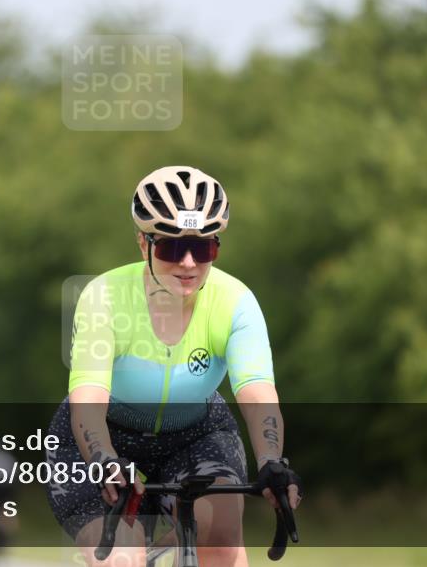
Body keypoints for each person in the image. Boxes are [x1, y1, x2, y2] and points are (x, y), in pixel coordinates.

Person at [45, 166, 302, 567]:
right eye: (169, 248)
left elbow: (256, 391)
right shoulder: (104, 297)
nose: (187, 263)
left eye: (203, 249)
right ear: (142, 243)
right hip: (102, 434)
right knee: (121, 556)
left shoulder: (235, 301)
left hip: (196, 433)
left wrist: (271, 460)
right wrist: (103, 460)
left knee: (221, 534)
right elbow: (89, 398)